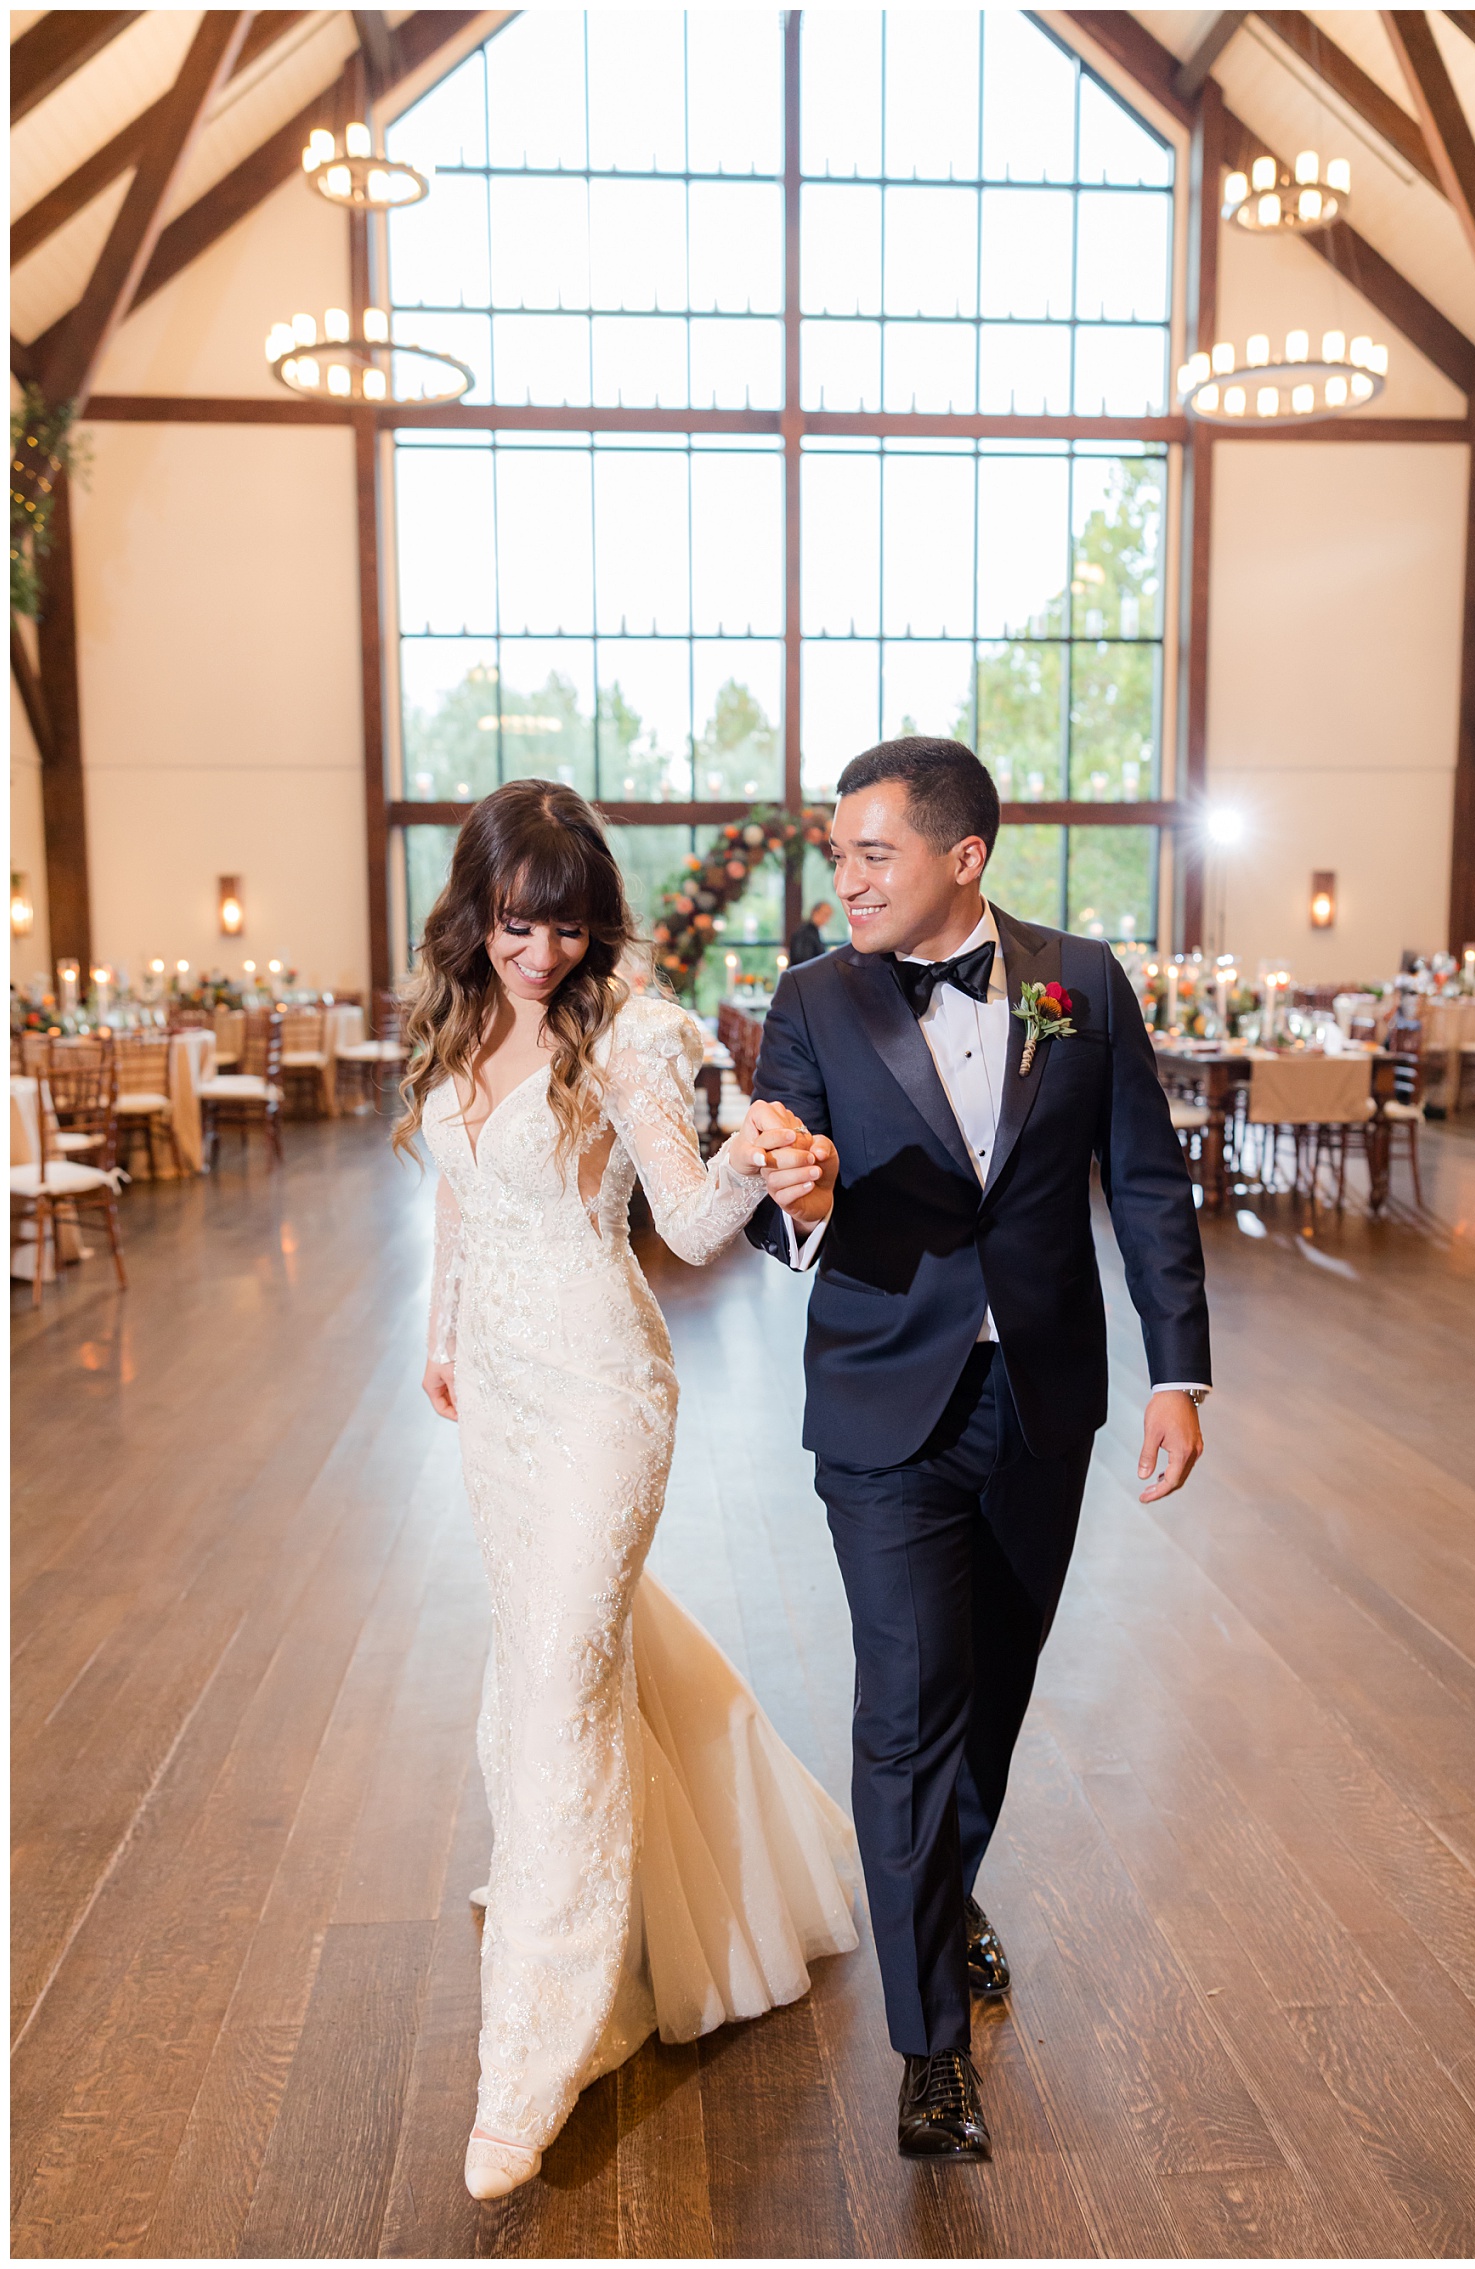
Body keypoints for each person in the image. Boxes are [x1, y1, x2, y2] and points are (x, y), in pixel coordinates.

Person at [746, 737, 1210, 2163]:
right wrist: (804, 1191)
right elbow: (777, 1212)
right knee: (907, 1709)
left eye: (869, 852)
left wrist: (1177, 1369)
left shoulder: (1077, 983)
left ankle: (944, 1891)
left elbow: (1140, 1179)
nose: (845, 877)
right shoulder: (813, 998)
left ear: (963, 857)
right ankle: (929, 2046)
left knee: (993, 1693)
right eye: (835, 853)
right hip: (886, 1403)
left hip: (1043, 1401)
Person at [396, 779, 860, 2203]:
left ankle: (541, 2047)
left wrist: (758, 1152)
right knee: (551, 1671)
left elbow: (698, 1226)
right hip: (500, 1402)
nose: (538, 953)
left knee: (557, 1681)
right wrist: (438, 1334)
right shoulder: (457, 1021)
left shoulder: (631, 1036)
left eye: (562, 926)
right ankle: (596, 1894)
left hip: (604, 1391)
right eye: (514, 924)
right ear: (474, 914)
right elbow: (458, 1195)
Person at [787, 899, 836, 967]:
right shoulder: (805, 933)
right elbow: (804, 961)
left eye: (829, 916)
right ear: (814, 912)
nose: (827, 919)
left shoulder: (814, 932)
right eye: (825, 914)